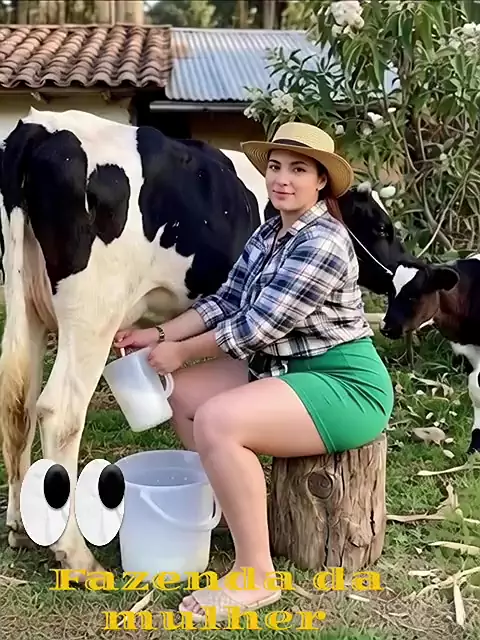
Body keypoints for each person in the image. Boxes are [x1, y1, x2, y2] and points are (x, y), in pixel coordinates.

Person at [113, 122, 394, 622]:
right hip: (279, 368)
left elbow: (257, 326)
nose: (282, 179)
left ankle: (256, 575)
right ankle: (230, 508)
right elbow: (227, 301)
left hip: (343, 382)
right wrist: (158, 335)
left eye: (298, 170)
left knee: (218, 421)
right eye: (276, 167)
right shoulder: (269, 232)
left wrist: (181, 350)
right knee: (182, 396)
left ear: (321, 181)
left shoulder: (324, 241)